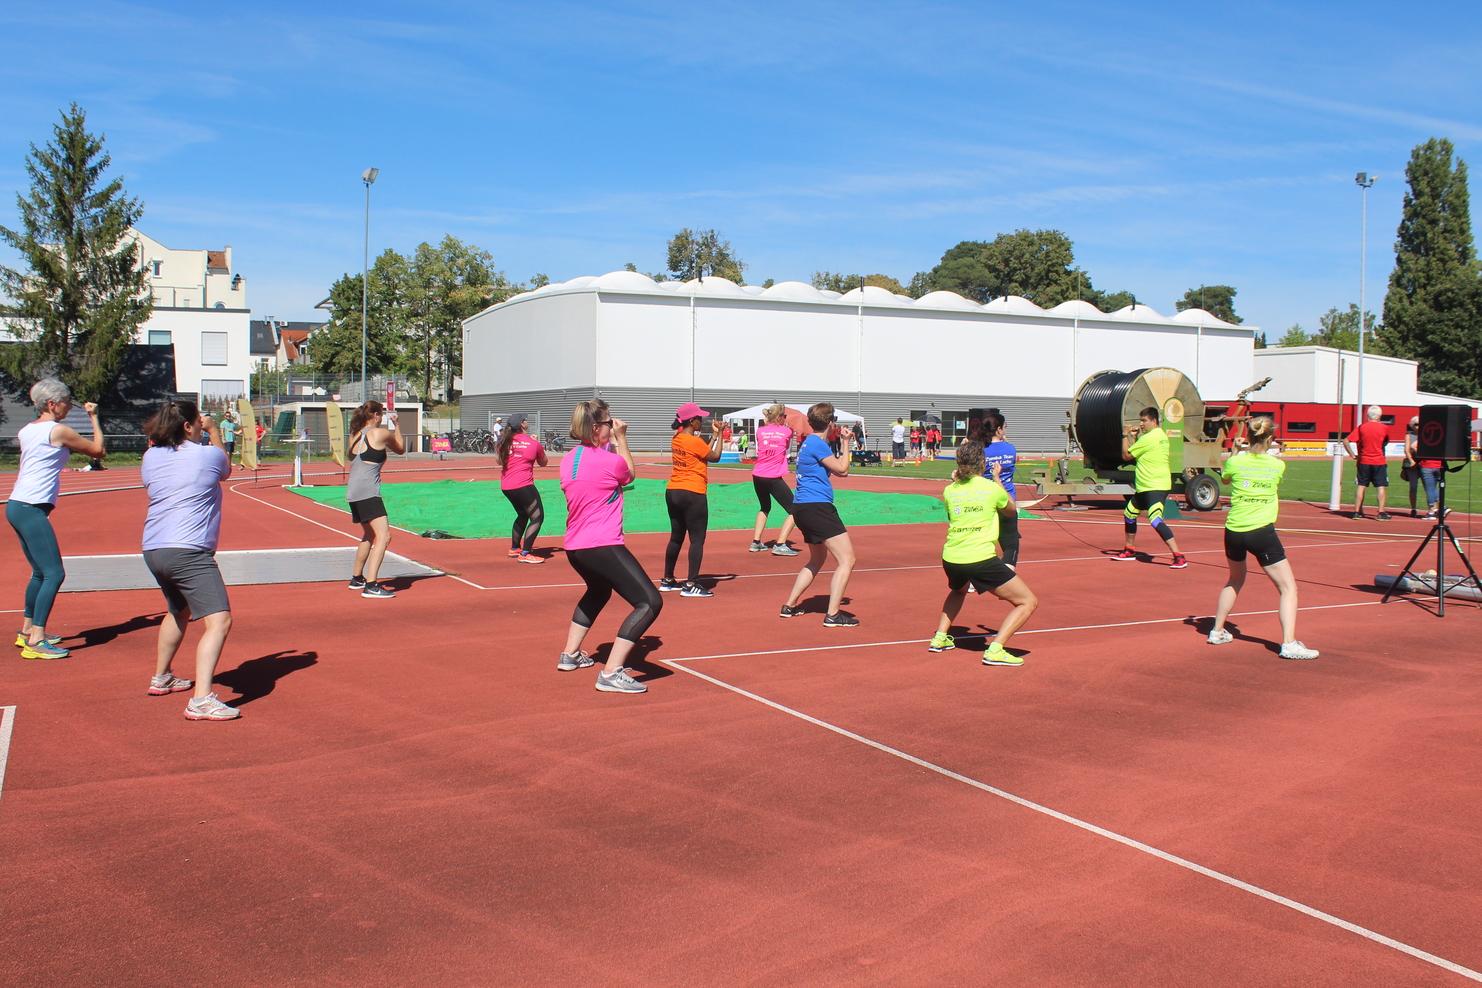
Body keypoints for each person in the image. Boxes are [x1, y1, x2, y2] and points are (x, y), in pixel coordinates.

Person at [140, 399, 243, 718]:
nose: (202, 424)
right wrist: (214, 432)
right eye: (198, 421)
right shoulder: (207, 453)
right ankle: (201, 699)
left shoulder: (150, 456)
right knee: (220, 620)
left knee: (178, 610)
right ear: (188, 426)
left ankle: (162, 676)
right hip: (189, 549)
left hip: (154, 547)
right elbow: (225, 469)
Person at [558, 399, 662, 694]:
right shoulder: (610, 460)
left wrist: (610, 438)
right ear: (595, 428)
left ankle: (570, 655)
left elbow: (600, 467)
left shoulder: (569, 459)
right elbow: (628, 474)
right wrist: (622, 438)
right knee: (649, 602)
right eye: (607, 423)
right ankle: (611, 672)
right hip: (602, 543)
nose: (611, 426)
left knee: (598, 590)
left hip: (575, 547)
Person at [6, 380, 105, 659]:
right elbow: (98, 452)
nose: (69, 406)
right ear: (52, 404)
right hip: (30, 507)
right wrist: (94, 417)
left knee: (40, 571)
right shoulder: (57, 430)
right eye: (66, 401)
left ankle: (27, 630)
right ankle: (36, 640)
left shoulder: (27, 430)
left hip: (17, 504)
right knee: (55, 573)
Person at [1206, 416, 1319, 659]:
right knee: (1289, 588)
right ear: (1270, 438)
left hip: (1234, 531)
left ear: (1247, 437)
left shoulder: (1236, 461)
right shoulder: (1277, 465)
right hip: (1261, 532)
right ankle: (1289, 643)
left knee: (1234, 581)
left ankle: (1217, 631)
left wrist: (1237, 450)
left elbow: (1226, 478)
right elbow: (1267, 474)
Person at [928, 441, 1038, 666]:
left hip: (951, 557)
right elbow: (1010, 509)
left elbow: (953, 514)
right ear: (983, 464)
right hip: (979, 558)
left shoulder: (950, 490)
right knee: (1027, 601)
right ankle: (995, 649)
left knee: (958, 591)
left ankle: (940, 637)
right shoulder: (991, 488)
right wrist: (997, 479)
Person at [780, 403, 858, 627]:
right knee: (847, 560)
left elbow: (834, 470)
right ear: (831, 423)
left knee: (817, 559)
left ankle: (790, 605)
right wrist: (845, 443)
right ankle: (833, 614)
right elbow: (843, 470)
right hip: (817, 507)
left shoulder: (810, 443)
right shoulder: (817, 443)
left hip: (803, 507)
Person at [661, 402, 723, 597]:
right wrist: (720, 433)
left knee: (676, 537)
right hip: (692, 492)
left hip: (674, 490)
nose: (702, 421)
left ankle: (668, 579)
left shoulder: (677, 438)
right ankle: (692, 583)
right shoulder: (693, 441)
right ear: (691, 421)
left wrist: (713, 436)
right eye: (699, 419)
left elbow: (702, 451)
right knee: (697, 539)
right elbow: (715, 456)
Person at [345, 400, 405, 598]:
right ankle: (371, 585)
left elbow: (351, 457)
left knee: (369, 535)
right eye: (381, 415)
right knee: (384, 537)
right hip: (368, 492)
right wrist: (397, 425)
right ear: (376, 415)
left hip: (353, 492)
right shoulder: (380, 433)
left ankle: (357, 578)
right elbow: (401, 449)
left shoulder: (353, 435)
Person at [1114, 406, 1187, 568]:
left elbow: (1126, 455)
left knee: (1155, 519)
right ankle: (1129, 549)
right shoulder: (1159, 435)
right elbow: (1139, 453)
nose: (1141, 424)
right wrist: (1134, 438)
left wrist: (1125, 435)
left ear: (1154, 421)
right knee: (1129, 513)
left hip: (1155, 486)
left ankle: (1179, 555)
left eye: (1144, 420)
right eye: (1141, 420)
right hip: (1146, 486)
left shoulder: (1149, 438)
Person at [749, 403, 800, 556]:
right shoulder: (787, 431)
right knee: (795, 510)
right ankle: (781, 543)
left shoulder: (760, 431)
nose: (786, 418)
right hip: (772, 477)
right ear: (779, 417)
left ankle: (756, 542)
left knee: (764, 507)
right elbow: (793, 432)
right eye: (784, 416)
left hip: (758, 475)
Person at [497, 413, 548, 563]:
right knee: (537, 517)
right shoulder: (532, 443)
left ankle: (514, 548)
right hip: (523, 485)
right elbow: (543, 462)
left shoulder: (504, 442)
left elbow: (499, 461)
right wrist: (536, 444)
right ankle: (525, 553)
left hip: (506, 486)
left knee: (522, 514)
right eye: (525, 421)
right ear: (522, 425)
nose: (527, 422)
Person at [980, 411, 1023, 568]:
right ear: (999, 429)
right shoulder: (1010, 449)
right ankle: (1006, 579)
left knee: (983, 543)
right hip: (1006, 499)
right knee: (1011, 546)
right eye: (1004, 427)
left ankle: (972, 579)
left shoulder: (981, 450)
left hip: (986, 499)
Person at [1343, 405, 1391, 520]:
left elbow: (1346, 441)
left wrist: (1353, 455)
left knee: (1361, 485)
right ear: (1379, 417)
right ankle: (1381, 512)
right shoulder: (1384, 427)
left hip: (1364, 460)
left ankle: (1357, 511)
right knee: (1380, 486)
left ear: (1367, 416)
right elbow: (1385, 442)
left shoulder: (1362, 427)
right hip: (1379, 461)